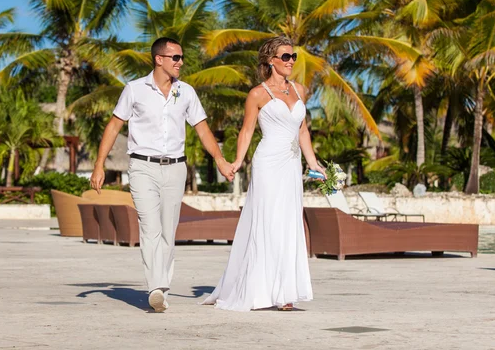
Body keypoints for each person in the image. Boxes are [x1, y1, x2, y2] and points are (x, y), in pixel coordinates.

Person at [90, 37, 234, 313]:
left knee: (168, 230)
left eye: (181, 58)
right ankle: (155, 287)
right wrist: (99, 165)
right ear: (159, 59)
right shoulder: (134, 89)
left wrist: (220, 160)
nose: (181, 62)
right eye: (175, 58)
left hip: (176, 167)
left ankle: (162, 289)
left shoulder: (187, 92)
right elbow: (113, 126)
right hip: (142, 166)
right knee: (150, 226)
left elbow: (202, 129)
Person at [202, 36, 326, 311]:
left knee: (289, 223)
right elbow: (247, 131)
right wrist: (236, 161)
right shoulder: (257, 94)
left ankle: (285, 291)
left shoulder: (300, 90)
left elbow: (302, 129)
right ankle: (262, 289)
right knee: (268, 223)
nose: (291, 61)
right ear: (271, 61)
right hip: (268, 163)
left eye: (293, 56)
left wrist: (313, 162)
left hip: (292, 165)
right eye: (285, 57)